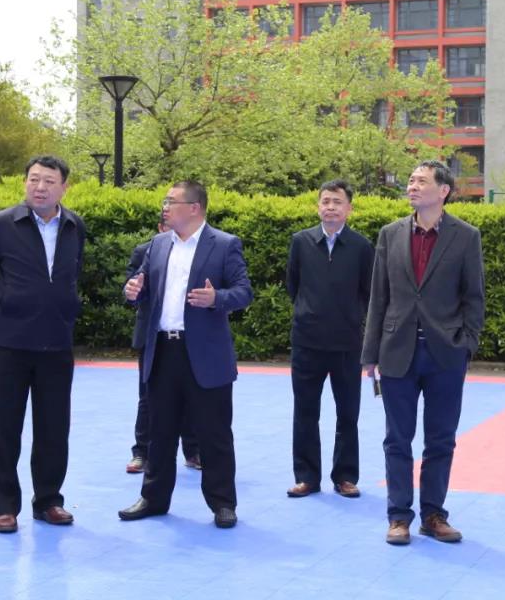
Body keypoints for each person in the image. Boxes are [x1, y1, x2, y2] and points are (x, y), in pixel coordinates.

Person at [362, 161, 485, 546]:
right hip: (396, 351)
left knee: (441, 439)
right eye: (411, 180)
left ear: (443, 190)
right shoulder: (390, 234)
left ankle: (433, 515)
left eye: (421, 181)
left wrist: (466, 343)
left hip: (445, 354)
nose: (412, 186)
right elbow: (378, 297)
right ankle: (398, 516)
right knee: (397, 439)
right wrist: (370, 353)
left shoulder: (466, 236)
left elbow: (474, 297)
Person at [119, 181, 253, 529]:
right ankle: (153, 498)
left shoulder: (224, 244)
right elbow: (141, 285)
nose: (164, 207)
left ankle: (222, 503)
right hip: (163, 350)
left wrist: (216, 299)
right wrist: (133, 290)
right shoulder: (158, 245)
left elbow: (243, 292)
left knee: (214, 433)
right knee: (159, 431)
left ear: (194, 208)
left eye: (171, 201)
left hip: (206, 355)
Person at [0, 155, 86, 534]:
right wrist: (10, 307)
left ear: (64, 187)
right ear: (25, 183)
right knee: (4, 427)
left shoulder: (74, 227)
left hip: (57, 343)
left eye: (49, 181)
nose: (40, 187)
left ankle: (49, 500)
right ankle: (4, 507)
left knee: (54, 426)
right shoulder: (1, 225)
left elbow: (73, 274)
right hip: (9, 344)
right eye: (34, 179)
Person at [285, 179, 374, 500]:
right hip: (307, 342)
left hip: (347, 344)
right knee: (305, 412)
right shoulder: (301, 242)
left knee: (348, 413)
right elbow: (293, 285)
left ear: (349, 208)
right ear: (318, 206)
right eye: (325, 201)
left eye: (337, 202)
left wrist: (351, 318)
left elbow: (368, 292)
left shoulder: (362, 247)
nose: (331, 207)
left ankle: (345, 476)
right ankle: (306, 477)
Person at [125, 216, 200, 474]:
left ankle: (194, 451)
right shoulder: (144, 251)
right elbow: (132, 291)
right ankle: (141, 453)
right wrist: (132, 289)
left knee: (191, 396)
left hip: (190, 337)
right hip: (153, 337)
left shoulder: (202, 249)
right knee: (148, 397)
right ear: (160, 228)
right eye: (169, 226)